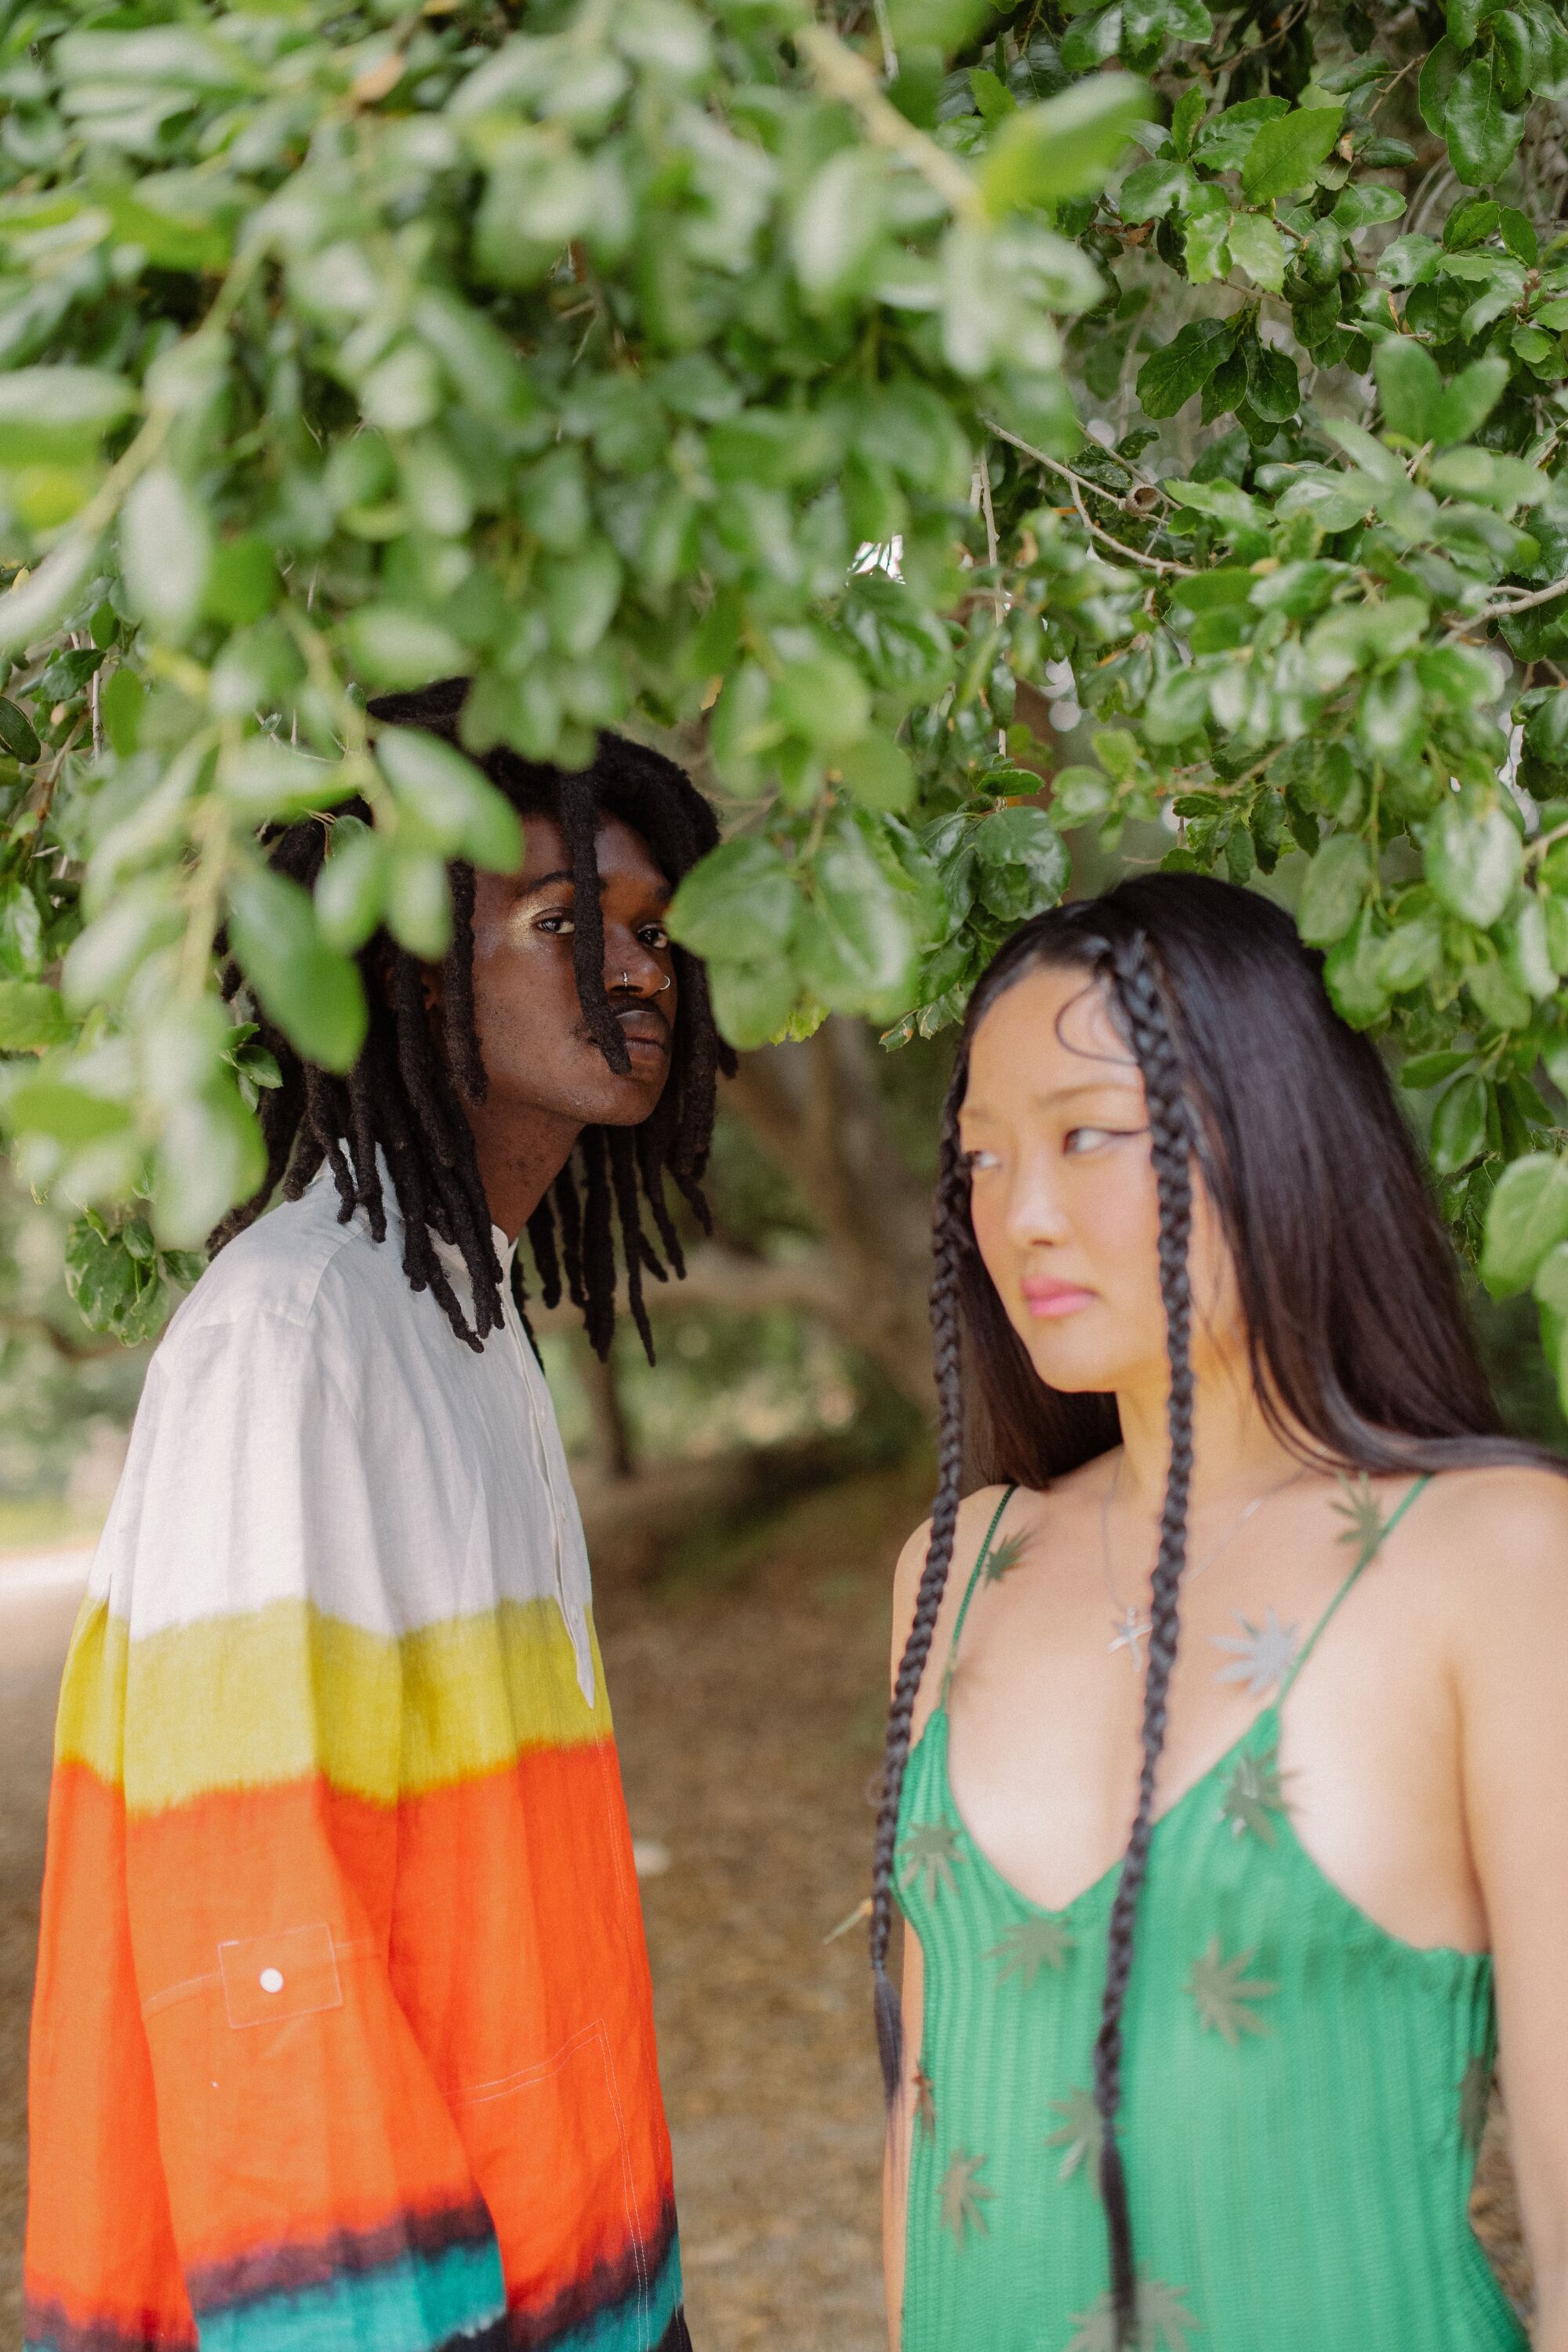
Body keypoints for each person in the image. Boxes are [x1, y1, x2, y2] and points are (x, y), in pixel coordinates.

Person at [24, 681, 734, 2352]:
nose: (638, 967)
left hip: (564, 2259)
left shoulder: (457, 1319)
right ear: (408, 966)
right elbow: (255, 1936)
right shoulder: (297, 1335)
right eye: (567, 919)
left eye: (652, 928)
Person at [873, 873, 1568, 2352]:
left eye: (1087, 1136)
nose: (1023, 1215)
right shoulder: (955, 1565)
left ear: (1269, 1131)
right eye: (982, 1161)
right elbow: (926, 2128)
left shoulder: (1492, 1560)